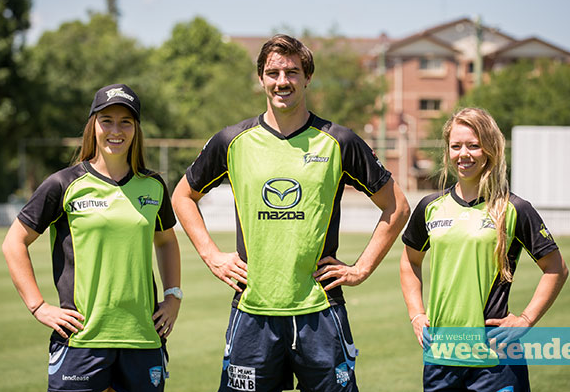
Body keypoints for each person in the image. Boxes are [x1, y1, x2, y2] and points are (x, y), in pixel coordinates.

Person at [171, 34, 411, 392]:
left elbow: (397, 206)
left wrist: (361, 268)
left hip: (320, 308)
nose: (282, 81)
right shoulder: (232, 140)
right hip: (253, 307)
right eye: (273, 73)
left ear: (307, 78)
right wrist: (212, 255)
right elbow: (182, 196)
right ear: (261, 79)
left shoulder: (339, 141)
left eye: (292, 72)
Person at [2, 84, 182, 392]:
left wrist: (173, 295)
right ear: (93, 126)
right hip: (81, 338)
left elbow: (165, 241)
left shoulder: (153, 186)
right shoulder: (64, 184)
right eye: (107, 120)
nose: (116, 130)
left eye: (126, 121)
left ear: (136, 129)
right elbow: (13, 242)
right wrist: (38, 306)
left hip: (142, 336)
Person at [400, 107, 569, 392]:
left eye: (473, 145)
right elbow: (409, 262)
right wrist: (416, 313)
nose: (463, 154)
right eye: (456, 146)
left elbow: (556, 269)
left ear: (489, 149)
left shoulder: (514, 209)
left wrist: (526, 319)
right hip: (441, 356)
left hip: (496, 358)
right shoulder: (429, 206)